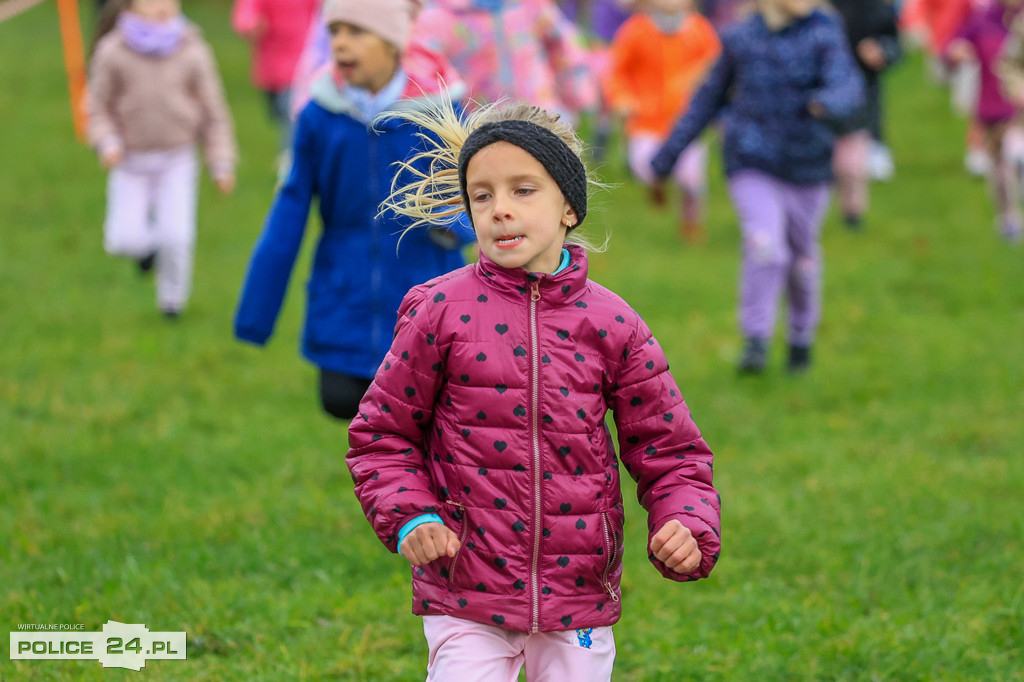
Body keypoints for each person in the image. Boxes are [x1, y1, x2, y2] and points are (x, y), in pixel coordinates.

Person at [346, 98, 721, 680]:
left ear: (569, 206)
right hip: (465, 585)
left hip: (577, 595)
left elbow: (670, 451)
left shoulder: (614, 324)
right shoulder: (439, 312)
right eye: (483, 194)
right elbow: (382, 435)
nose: (500, 210)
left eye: (524, 190)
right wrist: (411, 516)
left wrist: (687, 521)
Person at [233, 0, 475, 421]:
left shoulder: (440, 113)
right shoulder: (319, 116)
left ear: (394, 41)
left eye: (356, 31)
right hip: (344, 294)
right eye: (335, 31)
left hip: (427, 295)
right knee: (342, 402)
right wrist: (257, 313)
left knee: (424, 418)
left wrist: (454, 225)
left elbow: (482, 191)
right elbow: (289, 212)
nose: (340, 43)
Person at [651, 0, 864, 374]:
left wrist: (830, 101)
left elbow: (847, 81)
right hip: (752, 162)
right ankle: (756, 340)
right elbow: (707, 100)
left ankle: (800, 339)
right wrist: (664, 160)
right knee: (766, 247)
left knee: (801, 260)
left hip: (807, 167)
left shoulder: (824, 32)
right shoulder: (740, 38)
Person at [87, 0, 237, 319]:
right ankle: (147, 251)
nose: (162, 6)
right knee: (121, 240)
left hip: (177, 160)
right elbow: (97, 107)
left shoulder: (192, 48)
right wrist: (107, 141)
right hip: (129, 161)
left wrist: (221, 161)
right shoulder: (113, 51)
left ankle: (172, 302)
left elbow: (214, 111)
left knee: (178, 236)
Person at [606, 0, 721, 242]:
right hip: (646, 120)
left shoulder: (699, 30)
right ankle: (657, 184)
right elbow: (618, 71)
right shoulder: (636, 30)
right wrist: (623, 99)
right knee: (645, 168)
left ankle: (691, 223)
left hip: (686, 122)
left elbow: (716, 67)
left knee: (691, 179)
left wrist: (708, 99)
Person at [413, 0, 599, 123]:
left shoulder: (530, 5)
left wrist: (577, 93)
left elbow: (562, 44)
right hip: (477, 123)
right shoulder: (438, 15)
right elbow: (422, 71)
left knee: (550, 176)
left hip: (540, 115)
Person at [949, 0, 1024, 244]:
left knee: (1013, 157)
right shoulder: (984, 19)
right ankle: (1008, 217)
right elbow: (954, 47)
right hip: (994, 105)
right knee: (1001, 165)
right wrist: (957, 53)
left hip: (1018, 109)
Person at [829, 0, 902, 228]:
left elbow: (894, 43)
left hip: (863, 87)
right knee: (829, 157)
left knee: (853, 157)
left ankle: (853, 210)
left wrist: (882, 51)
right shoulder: (821, 8)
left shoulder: (878, 7)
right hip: (824, 88)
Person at [230, 0, 319, 161]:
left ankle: (291, 159)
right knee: (278, 112)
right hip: (271, 67)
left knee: (291, 114)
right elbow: (246, 11)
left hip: (301, 64)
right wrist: (251, 24)